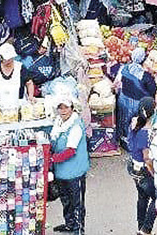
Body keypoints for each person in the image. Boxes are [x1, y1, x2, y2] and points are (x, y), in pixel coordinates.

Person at [50, 95, 89, 234]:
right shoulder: (58, 122)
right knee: (65, 200)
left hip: (74, 172)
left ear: (72, 108)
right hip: (61, 171)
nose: (63, 110)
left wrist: (52, 159)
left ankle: (78, 229)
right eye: (60, 107)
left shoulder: (76, 126)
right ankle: (69, 224)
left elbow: (70, 151)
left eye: (66, 107)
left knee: (76, 203)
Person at [115, 49, 157, 149]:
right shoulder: (145, 76)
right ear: (143, 60)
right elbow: (153, 90)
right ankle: (136, 145)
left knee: (124, 121)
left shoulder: (125, 68)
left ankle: (125, 141)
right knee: (137, 123)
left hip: (123, 99)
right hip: (137, 103)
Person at [127, 98, 157, 235]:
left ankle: (140, 226)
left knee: (142, 197)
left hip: (133, 166)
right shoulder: (145, 132)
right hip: (144, 170)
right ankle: (146, 229)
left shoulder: (134, 122)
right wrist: (153, 172)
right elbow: (147, 157)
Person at [0, 43, 31, 113]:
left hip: (18, 105)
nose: (9, 61)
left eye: (10, 59)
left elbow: (29, 83)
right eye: (6, 59)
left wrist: (30, 96)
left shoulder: (20, 68)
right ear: (1, 57)